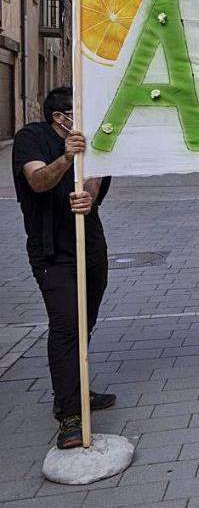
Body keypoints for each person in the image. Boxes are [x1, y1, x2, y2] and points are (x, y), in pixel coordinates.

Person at [11, 87, 116, 449]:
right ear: (60, 118)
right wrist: (67, 160)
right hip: (52, 251)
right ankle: (70, 416)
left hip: (90, 245)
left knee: (85, 320)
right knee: (66, 326)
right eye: (78, 113)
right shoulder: (32, 138)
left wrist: (88, 192)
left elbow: (96, 180)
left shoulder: (93, 139)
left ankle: (74, 388)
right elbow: (37, 180)